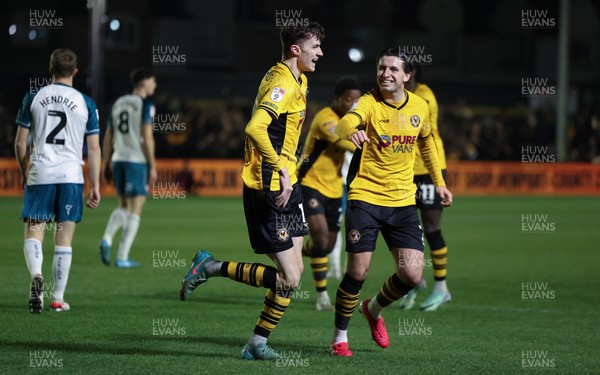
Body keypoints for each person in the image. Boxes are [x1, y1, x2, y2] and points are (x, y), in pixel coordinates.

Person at [179, 22, 324, 360]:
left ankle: (257, 344)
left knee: (294, 275)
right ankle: (210, 267)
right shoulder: (280, 82)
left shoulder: (299, 80)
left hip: (288, 185)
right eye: (315, 46)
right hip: (270, 187)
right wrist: (281, 172)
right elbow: (255, 127)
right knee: (288, 276)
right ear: (295, 50)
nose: (320, 53)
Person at [330, 47, 453, 357]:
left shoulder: (420, 107)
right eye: (382, 68)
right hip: (365, 197)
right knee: (358, 272)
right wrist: (353, 133)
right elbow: (343, 124)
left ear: (407, 76)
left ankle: (373, 309)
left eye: (393, 69)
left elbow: (426, 143)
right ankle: (340, 338)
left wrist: (439, 183)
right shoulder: (369, 102)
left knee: (412, 275)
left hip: (402, 200)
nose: (385, 73)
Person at [15, 48, 101, 313]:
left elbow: (19, 143)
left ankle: (37, 277)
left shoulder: (33, 97)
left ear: (50, 69)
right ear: (75, 72)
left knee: (34, 231)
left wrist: (23, 171)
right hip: (71, 177)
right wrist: (95, 184)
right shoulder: (86, 103)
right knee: (63, 239)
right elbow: (94, 149)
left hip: (40, 173)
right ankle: (57, 298)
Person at [297, 76, 360, 311]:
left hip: (334, 188)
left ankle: (293, 250)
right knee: (322, 239)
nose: (352, 104)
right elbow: (347, 144)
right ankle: (322, 297)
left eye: (356, 100)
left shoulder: (350, 121)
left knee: (327, 244)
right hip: (310, 183)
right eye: (348, 99)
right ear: (337, 99)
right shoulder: (326, 119)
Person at [398, 64, 451, 311]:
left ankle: (441, 288)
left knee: (431, 227)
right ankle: (414, 279)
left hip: (429, 170)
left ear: (410, 73)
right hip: (404, 170)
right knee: (399, 226)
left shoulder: (424, 96)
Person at [99, 68, 157, 268]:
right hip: (136, 160)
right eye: (152, 81)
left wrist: (106, 162)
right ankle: (122, 256)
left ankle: (107, 239)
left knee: (124, 205)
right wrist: (153, 165)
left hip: (117, 159)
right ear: (143, 82)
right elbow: (147, 137)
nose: (154, 85)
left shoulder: (118, 103)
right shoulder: (145, 104)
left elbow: (108, 136)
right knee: (135, 208)